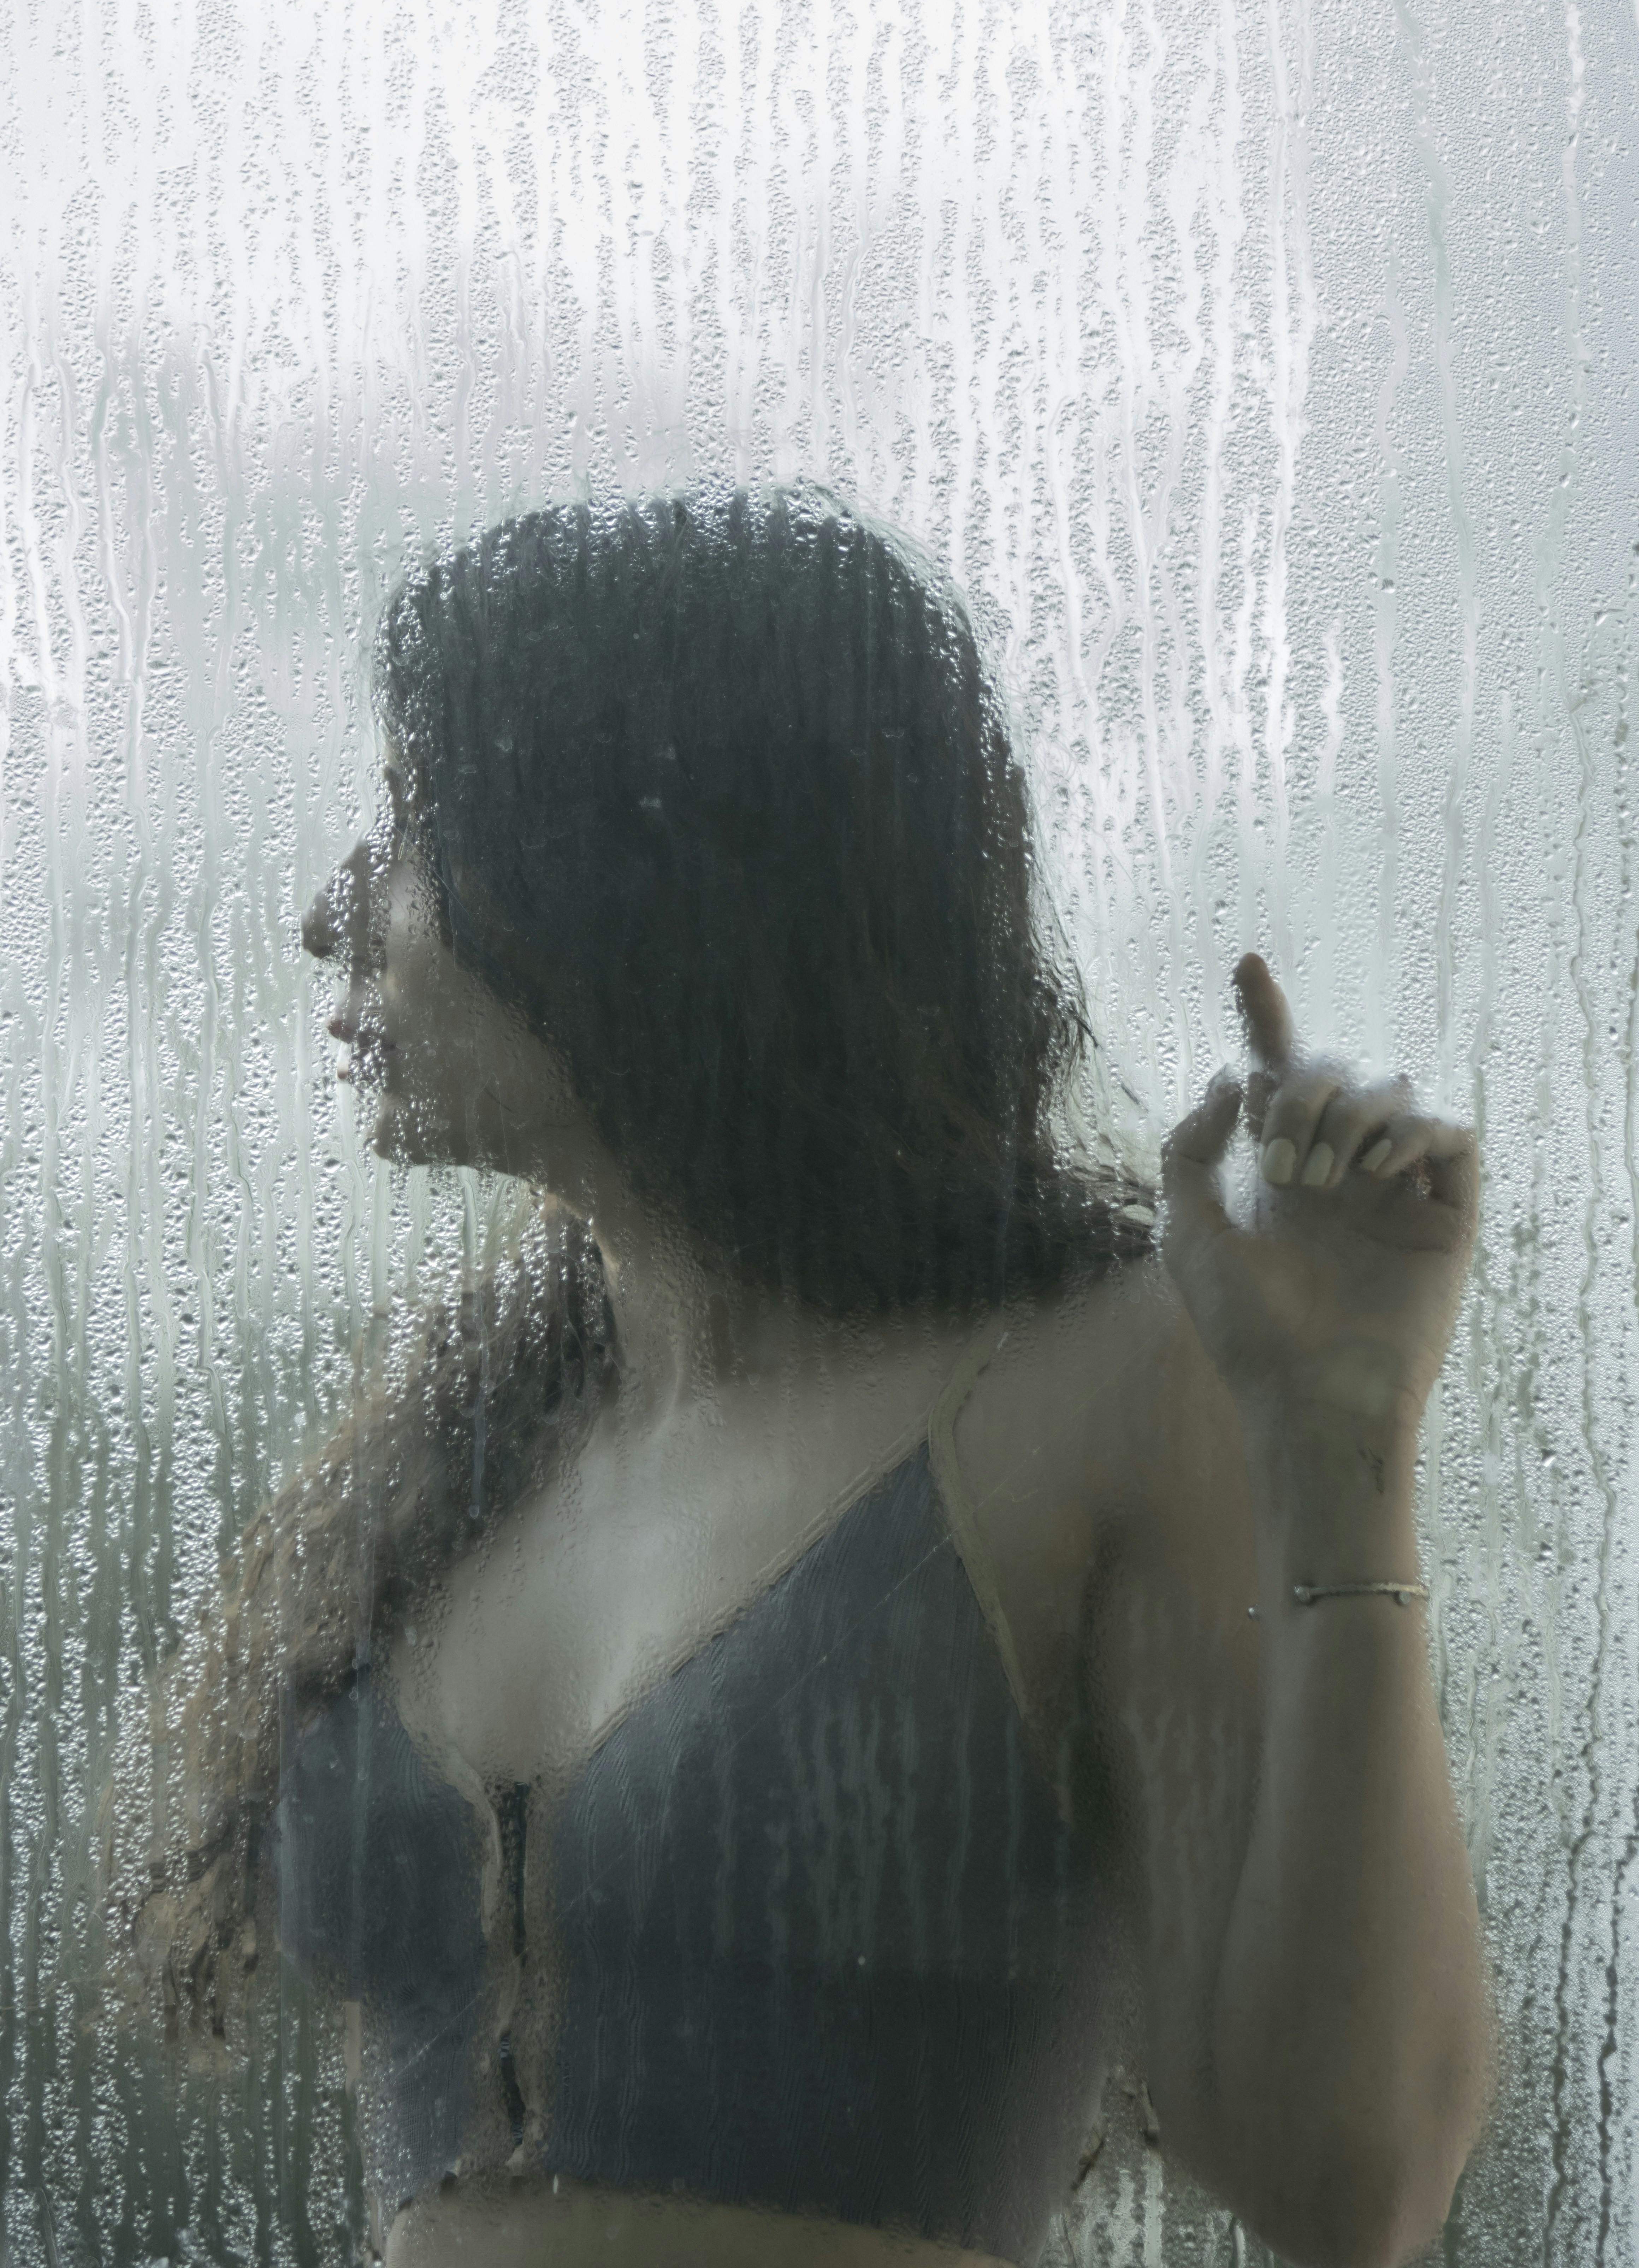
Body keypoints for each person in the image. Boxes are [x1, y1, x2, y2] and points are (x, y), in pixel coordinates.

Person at [113, 486, 1491, 2268]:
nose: (332, 914)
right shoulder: (483, 1453)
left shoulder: (1102, 1387)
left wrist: (1339, 1442)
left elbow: (1346, 2183)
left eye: (416, 827)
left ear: (646, 865)